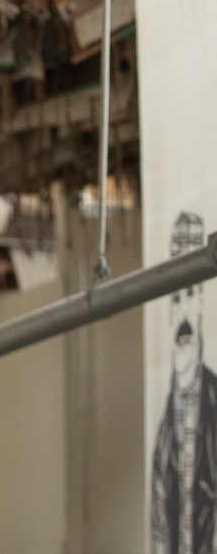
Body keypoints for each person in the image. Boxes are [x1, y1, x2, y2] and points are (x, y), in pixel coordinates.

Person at [154, 211, 217, 554]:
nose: (183, 314)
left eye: (190, 294)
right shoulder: (164, 437)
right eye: (175, 298)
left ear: (203, 303)